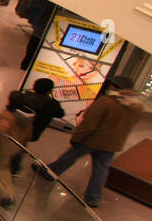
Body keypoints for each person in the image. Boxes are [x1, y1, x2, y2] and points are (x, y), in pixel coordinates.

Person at [40, 77, 144, 207]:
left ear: (113, 87)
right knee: (101, 170)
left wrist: (77, 137)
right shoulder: (137, 108)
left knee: (70, 156)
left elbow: (89, 123)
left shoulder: (106, 102)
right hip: (113, 144)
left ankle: (50, 173)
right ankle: (93, 198)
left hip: (92, 140)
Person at [8, 78, 65, 178]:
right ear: (49, 90)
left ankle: (11, 163)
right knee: (19, 147)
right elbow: (60, 113)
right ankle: (13, 169)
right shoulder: (52, 104)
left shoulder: (25, 95)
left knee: (16, 144)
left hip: (15, 125)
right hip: (31, 132)